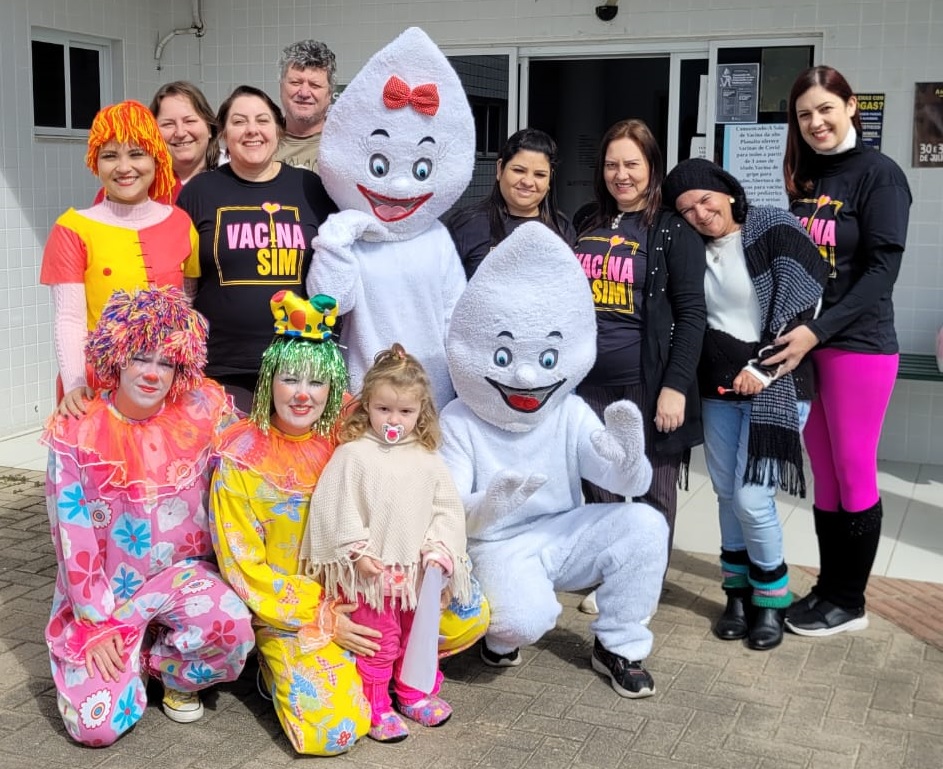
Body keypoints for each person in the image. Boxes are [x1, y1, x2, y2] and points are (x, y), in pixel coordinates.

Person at [210, 291, 488, 755]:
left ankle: (400, 674)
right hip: (296, 612)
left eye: (317, 382)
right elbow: (243, 566)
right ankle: (276, 666)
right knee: (335, 731)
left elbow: (407, 441)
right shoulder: (240, 461)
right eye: (289, 378)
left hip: (373, 586)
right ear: (268, 382)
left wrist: (431, 561)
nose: (302, 393)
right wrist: (321, 616)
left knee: (468, 611)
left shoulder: (352, 432)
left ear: (334, 388)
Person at [440, 221, 668, 699]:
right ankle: (498, 639)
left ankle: (618, 646)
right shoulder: (459, 420)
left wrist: (628, 457)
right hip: (496, 543)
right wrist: (493, 503)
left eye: (546, 360)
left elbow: (627, 480)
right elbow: (453, 512)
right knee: (521, 621)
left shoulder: (568, 409)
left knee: (645, 524)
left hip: (564, 530)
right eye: (502, 356)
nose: (524, 375)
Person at [41, 287, 254, 747]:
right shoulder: (77, 430)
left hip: (182, 582)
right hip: (104, 599)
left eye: (167, 362)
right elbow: (72, 539)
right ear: (116, 356)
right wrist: (97, 626)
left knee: (232, 629)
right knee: (94, 727)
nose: (153, 373)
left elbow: (259, 459)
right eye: (141, 357)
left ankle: (163, 667)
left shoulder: (203, 412)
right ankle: (125, 658)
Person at [768, 66, 912, 637]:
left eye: (826, 109)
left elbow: (883, 271)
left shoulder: (880, 176)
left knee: (853, 469)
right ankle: (829, 589)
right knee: (823, 471)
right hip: (808, 345)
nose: (816, 122)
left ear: (851, 106)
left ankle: (849, 601)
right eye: (805, 115)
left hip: (858, 344)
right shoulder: (806, 177)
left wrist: (819, 331)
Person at [662, 158, 828, 650]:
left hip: (776, 387)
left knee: (754, 501)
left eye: (705, 200)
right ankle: (736, 594)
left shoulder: (774, 228)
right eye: (686, 209)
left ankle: (771, 598)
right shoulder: (690, 249)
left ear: (728, 192)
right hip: (717, 392)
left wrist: (763, 367)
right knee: (728, 497)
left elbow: (804, 304)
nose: (699, 213)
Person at [302, 343, 471, 743]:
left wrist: (439, 550)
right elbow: (337, 507)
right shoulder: (354, 454)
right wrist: (357, 552)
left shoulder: (428, 457)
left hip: (416, 575)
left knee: (418, 635)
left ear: (421, 413)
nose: (394, 419)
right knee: (379, 643)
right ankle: (377, 705)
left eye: (405, 412)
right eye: (383, 409)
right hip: (373, 577)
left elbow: (446, 509)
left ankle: (414, 694)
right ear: (367, 407)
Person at [574, 118, 706, 571]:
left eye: (632, 163)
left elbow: (692, 315)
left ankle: (644, 581)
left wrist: (675, 386)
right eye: (612, 164)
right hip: (588, 379)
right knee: (599, 478)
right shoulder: (586, 219)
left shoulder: (672, 230)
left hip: (645, 380)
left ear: (652, 165)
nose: (621, 174)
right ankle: (610, 570)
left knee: (653, 484)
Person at [176, 85, 335, 412]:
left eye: (262, 120)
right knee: (234, 459)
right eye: (239, 121)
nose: (252, 130)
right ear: (223, 135)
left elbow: (334, 268)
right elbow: (183, 282)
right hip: (221, 365)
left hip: (297, 363)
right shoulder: (200, 192)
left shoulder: (310, 188)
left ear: (278, 130)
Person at [40, 100, 199, 418]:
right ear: (95, 163)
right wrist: (74, 383)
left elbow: (188, 304)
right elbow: (69, 318)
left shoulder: (181, 223)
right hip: (97, 384)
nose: (124, 167)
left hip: (165, 384)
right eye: (110, 156)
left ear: (156, 157)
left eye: (136, 154)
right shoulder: (73, 228)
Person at [444, 128, 576, 280]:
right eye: (519, 170)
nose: (527, 182)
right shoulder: (465, 225)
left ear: (550, 180)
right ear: (500, 168)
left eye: (539, 175)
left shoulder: (562, 228)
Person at [274, 39, 336, 174]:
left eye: (315, 85)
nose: (304, 93)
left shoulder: (345, 144)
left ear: (329, 93)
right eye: (295, 82)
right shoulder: (262, 142)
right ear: (281, 88)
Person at [151, 80, 221, 188]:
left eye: (189, 121)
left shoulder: (235, 174)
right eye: (168, 124)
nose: (180, 133)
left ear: (209, 128)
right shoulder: (144, 184)